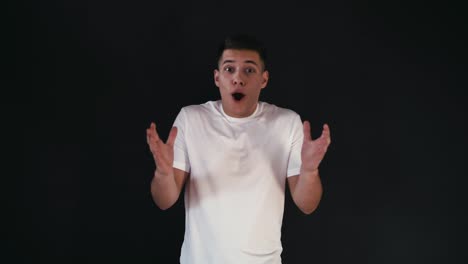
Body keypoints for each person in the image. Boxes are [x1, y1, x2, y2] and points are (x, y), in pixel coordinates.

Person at [146, 34, 331, 264]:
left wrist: (310, 171)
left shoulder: (287, 123)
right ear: (217, 77)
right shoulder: (191, 119)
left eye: (249, 70)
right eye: (229, 69)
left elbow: (307, 205)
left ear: (264, 79)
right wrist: (163, 173)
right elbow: (164, 200)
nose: (238, 79)